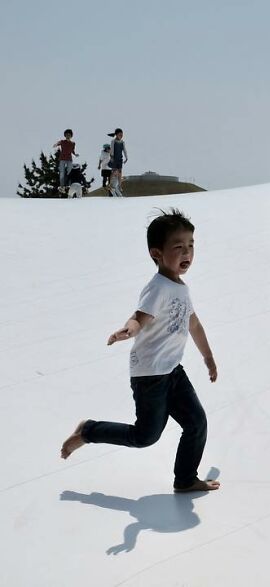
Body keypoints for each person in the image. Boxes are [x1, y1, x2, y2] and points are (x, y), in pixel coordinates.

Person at [60, 208, 220, 494]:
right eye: (178, 246)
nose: (187, 252)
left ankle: (185, 479)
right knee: (145, 436)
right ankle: (89, 431)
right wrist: (130, 329)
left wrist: (207, 357)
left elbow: (193, 323)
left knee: (196, 423)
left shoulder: (182, 288)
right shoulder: (157, 288)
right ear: (156, 253)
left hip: (172, 371)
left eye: (191, 245)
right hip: (150, 376)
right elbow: (139, 317)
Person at [107, 128, 128, 197]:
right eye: (120, 135)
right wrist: (112, 157)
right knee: (114, 171)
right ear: (116, 134)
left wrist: (126, 157)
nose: (121, 136)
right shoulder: (113, 141)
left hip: (120, 159)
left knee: (120, 172)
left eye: (122, 135)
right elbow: (112, 149)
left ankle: (119, 186)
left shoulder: (122, 142)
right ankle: (110, 185)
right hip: (114, 158)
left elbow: (124, 150)